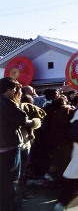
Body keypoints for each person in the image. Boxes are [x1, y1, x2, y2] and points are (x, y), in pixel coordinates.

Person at [0, 77, 41, 211]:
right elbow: (23, 119)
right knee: (11, 181)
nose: (16, 92)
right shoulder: (6, 102)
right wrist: (35, 122)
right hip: (10, 147)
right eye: (15, 89)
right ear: (9, 89)